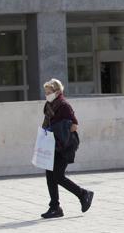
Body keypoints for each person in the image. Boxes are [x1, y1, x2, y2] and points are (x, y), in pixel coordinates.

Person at [40, 78, 94, 219]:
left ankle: (83, 194)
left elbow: (74, 125)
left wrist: (58, 130)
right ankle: (55, 207)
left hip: (65, 144)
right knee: (50, 176)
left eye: (49, 92)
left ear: (57, 92)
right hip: (52, 144)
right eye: (45, 92)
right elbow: (46, 123)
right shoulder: (48, 105)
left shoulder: (64, 105)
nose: (47, 95)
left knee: (58, 176)